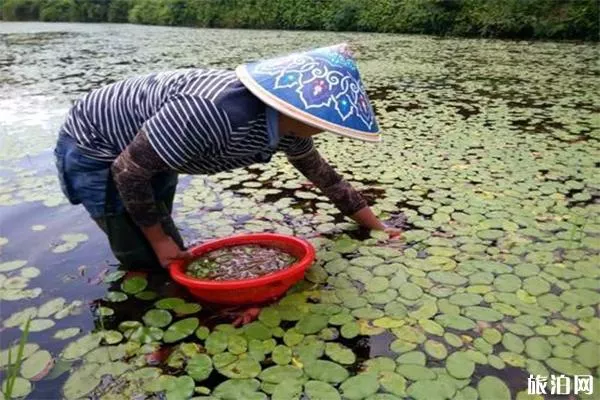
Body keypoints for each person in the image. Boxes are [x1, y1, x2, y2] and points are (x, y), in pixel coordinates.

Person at [54, 43, 400, 270]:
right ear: (299, 109)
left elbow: (328, 180)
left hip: (153, 148)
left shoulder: (289, 130)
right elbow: (128, 172)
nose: (331, 127)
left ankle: (160, 262)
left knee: (164, 236)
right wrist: (158, 242)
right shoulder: (212, 113)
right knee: (143, 251)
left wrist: (380, 229)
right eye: (328, 121)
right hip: (97, 144)